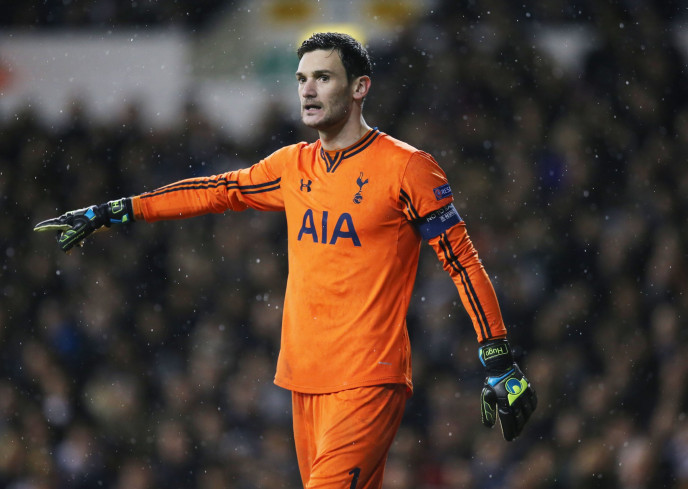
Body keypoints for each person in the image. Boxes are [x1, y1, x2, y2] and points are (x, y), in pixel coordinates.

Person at [34, 32, 536, 489]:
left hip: (368, 378)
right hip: (303, 378)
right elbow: (217, 191)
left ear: (360, 87)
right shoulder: (292, 167)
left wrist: (498, 358)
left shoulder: (408, 169)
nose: (308, 90)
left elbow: (463, 261)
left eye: (322, 77)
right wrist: (119, 210)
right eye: (301, 79)